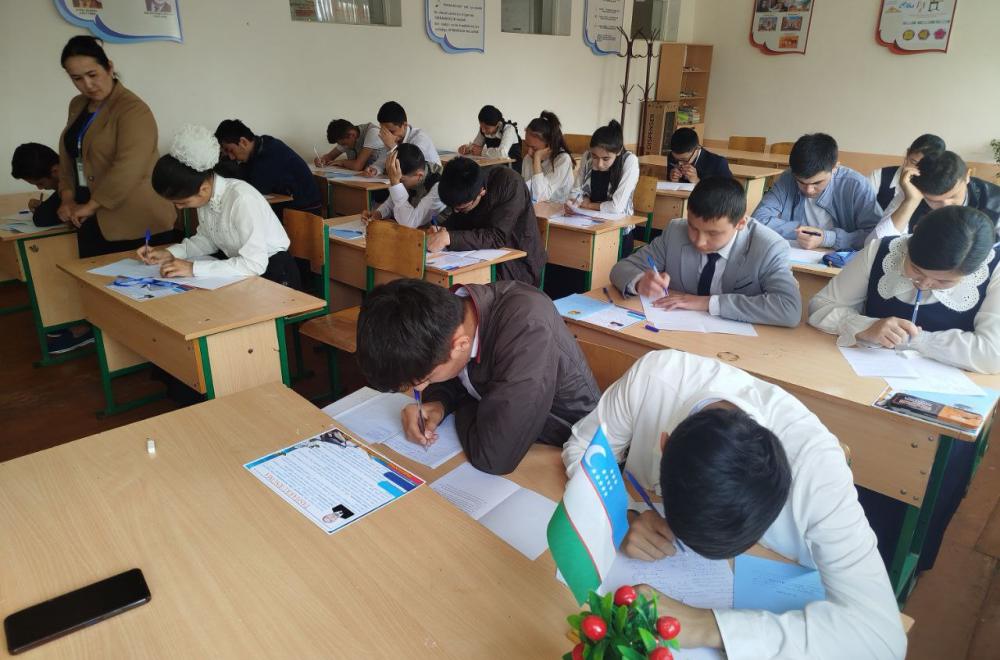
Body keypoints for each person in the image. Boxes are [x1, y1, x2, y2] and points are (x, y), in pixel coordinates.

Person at [562, 349, 906, 660]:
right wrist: (620, 516)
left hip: (772, 577)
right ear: (664, 446)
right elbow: (580, 448)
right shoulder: (654, 380)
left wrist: (710, 627)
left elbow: (883, 638)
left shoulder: (818, 470)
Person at [809, 206, 999, 573]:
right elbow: (821, 306)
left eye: (943, 282)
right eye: (916, 271)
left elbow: (992, 353)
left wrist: (918, 340)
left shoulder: (994, 271)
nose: (924, 285)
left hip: (940, 404)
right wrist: (864, 326)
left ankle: (895, 565)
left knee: (932, 473)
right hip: (859, 387)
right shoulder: (884, 250)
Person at [356, 278, 600, 475]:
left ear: (460, 344)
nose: (419, 390)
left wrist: (463, 402)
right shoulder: (450, 314)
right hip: (519, 435)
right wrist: (439, 403)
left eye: (425, 379)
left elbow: (495, 457)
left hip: (569, 448)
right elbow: (460, 373)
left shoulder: (527, 327)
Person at [55, 35, 176, 354]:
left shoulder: (133, 109)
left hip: (133, 216)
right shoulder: (78, 106)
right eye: (76, 78)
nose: (87, 85)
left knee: (142, 297)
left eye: (92, 74)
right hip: (90, 213)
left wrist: (91, 206)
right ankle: (111, 348)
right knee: (101, 289)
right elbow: (69, 155)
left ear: (109, 67)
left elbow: (129, 167)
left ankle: (152, 353)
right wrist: (67, 197)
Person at [610, 177, 800, 327]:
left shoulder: (769, 247)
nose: (699, 241)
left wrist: (707, 303)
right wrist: (639, 281)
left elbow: (789, 308)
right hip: (674, 329)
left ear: (741, 223)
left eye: (713, 233)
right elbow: (621, 268)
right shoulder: (676, 231)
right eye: (693, 227)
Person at [138, 125, 299, 288]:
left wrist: (193, 268)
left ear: (203, 189)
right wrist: (170, 253)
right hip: (242, 271)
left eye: (182, 202)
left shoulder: (241, 199)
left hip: (274, 274)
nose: (179, 208)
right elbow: (207, 240)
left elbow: (254, 264)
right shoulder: (207, 196)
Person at [753, 133, 880, 251]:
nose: (809, 190)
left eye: (817, 183)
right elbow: (758, 219)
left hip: (840, 259)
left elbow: (876, 235)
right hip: (795, 256)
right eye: (801, 182)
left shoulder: (856, 185)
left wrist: (827, 238)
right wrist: (802, 232)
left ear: (834, 168)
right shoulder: (788, 177)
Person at [433, 157, 546, 287]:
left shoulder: (509, 183)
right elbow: (456, 221)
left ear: (482, 192)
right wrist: (441, 230)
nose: (455, 212)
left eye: (461, 208)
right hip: (476, 257)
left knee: (457, 288)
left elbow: (497, 236)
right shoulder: (465, 185)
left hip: (516, 265)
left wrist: (450, 238)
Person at [874, 150, 1000, 237]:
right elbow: (876, 244)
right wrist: (910, 201)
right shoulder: (914, 193)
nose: (946, 205)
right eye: (934, 201)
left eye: (953, 196)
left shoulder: (996, 202)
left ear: (967, 176)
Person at [214, 119, 322, 215]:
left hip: (305, 212)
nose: (231, 157)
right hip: (288, 208)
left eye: (230, 150)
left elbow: (252, 189)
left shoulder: (270, 153)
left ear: (243, 142)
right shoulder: (261, 146)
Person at [362, 144, 444, 228]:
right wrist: (378, 213)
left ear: (419, 175)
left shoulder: (438, 186)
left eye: (400, 181)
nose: (398, 184)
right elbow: (392, 203)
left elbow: (409, 223)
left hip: (436, 231)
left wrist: (396, 183)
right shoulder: (410, 172)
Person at [570, 120, 640, 216]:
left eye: (606, 159)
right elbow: (575, 191)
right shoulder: (587, 156)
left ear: (618, 151)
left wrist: (589, 205)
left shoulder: (629, 161)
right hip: (586, 216)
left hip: (618, 221)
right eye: (595, 157)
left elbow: (616, 207)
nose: (600, 164)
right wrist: (574, 203)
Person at [868, 133, 945, 218]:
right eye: (913, 162)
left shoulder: (936, 190)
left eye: (925, 167)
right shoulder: (879, 176)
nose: (916, 170)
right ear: (907, 154)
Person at [364, 101, 440, 176]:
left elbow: (409, 167)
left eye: (392, 131)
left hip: (429, 180)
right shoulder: (395, 139)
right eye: (385, 131)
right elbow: (382, 161)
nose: (388, 136)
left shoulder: (419, 139)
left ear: (405, 125)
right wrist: (375, 169)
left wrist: (392, 146)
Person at [520, 111, 574, 203]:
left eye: (534, 148)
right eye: (527, 145)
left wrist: (537, 158)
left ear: (549, 145)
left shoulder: (563, 160)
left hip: (557, 208)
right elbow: (525, 191)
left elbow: (540, 195)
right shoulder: (528, 159)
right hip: (535, 207)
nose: (529, 152)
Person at [10, 143, 62, 227]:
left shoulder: (77, 185)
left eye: (40, 183)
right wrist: (44, 205)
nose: (40, 188)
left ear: (55, 171)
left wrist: (45, 208)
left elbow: (42, 218)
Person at [666, 128, 732, 184]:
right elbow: (670, 181)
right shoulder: (672, 156)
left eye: (684, 159)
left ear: (697, 148)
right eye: (676, 159)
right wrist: (672, 178)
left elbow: (728, 191)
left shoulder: (718, 163)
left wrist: (697, 181)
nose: (680, 163)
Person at [314, 118, 380, 171]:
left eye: (344, 144)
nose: (344, 147)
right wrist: (321, 160)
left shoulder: (373, 132)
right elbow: (330, 156)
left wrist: (342, 162)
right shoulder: (347, 135)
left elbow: (357, 166)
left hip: (380, 180)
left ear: (352, 135)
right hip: (363, 178)